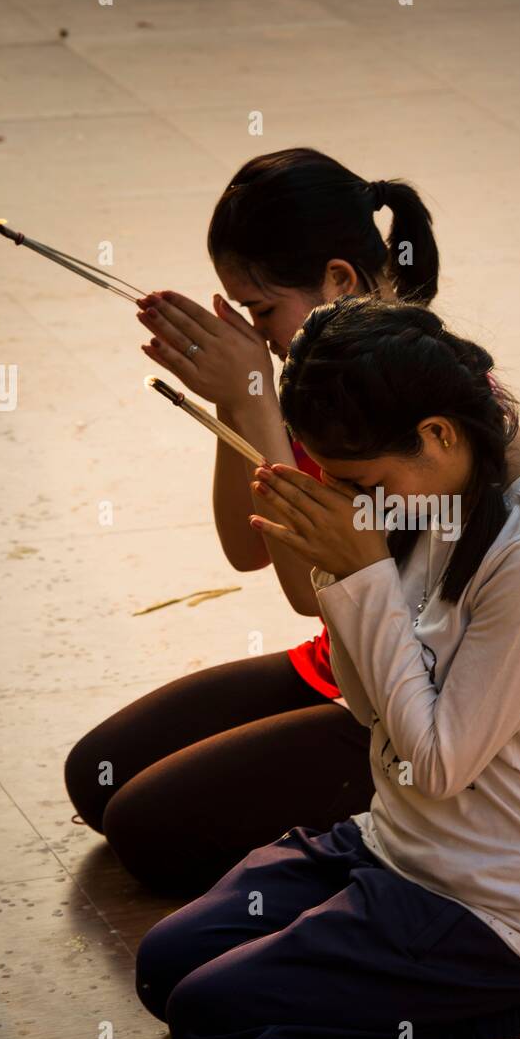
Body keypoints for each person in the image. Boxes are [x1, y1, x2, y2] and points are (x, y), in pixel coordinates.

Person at [135, 297, 520, 1039]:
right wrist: (338, 571)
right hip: (394, 845)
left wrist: (363, 576)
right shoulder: (428, 493)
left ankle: (515, 1022)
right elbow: (371, 707)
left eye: (359, 481)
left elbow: (440, 763)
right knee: (163, 966)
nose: (355, 502)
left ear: (439, 434)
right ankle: (415, 981)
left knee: (218, 1024)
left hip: (498, 906)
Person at [64, 149, 439, 895]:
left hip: (407, 710)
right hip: (340, 662)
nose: (257, 334)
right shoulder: (317, 375)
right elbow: (246, 549)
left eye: (262, 311)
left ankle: (392, 842)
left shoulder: (412, 397)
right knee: (94, 779)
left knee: (147, 830)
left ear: (338, 279)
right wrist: (239, 405)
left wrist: (258, 402)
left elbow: (315, 589)